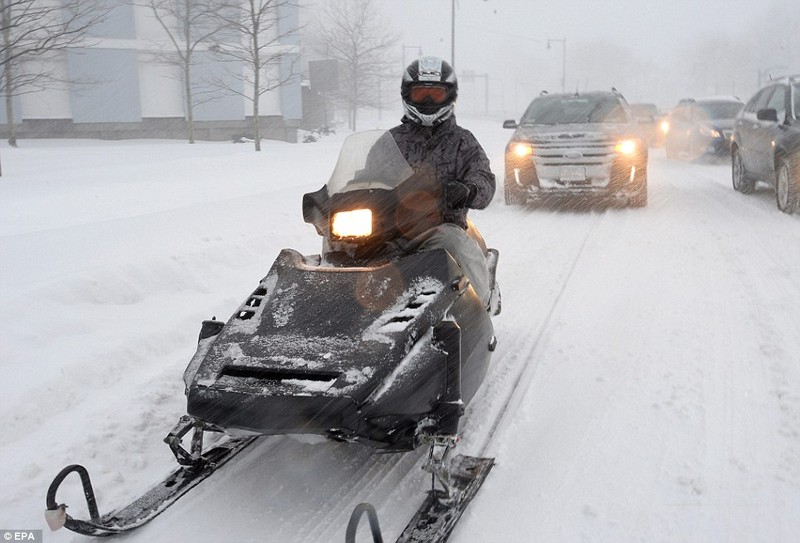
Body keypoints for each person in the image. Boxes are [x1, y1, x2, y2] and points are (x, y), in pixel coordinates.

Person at [389, 56, 496, 305]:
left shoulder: (463, 142)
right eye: (421, 94)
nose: (427, 101)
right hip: (388, 228)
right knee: (338, 243)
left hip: (439, 226)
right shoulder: (391, 141)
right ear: (407, 95)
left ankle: (481, 304)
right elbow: (364, 175)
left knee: (453, 239)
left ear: (449, 96)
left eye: (435, 95)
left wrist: (468, 190)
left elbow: (484, 179)